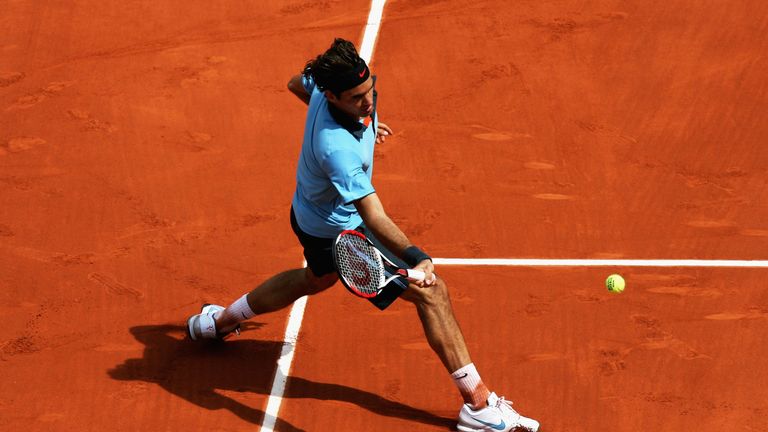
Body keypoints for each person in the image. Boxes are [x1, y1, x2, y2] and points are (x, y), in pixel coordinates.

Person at [186, 38, 539, 432]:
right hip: (339, 232)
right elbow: (372, 214)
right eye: (356, 99)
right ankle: (478, 405)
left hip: (308, 214)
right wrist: (417, 255)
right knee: (431, 291)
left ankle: (217, 322)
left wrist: (362, 128)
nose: (368, 103)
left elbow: (295, 83)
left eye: (371, 90)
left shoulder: (324, 88)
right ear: (334, 95)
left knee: (314, 279)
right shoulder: (336, 151)